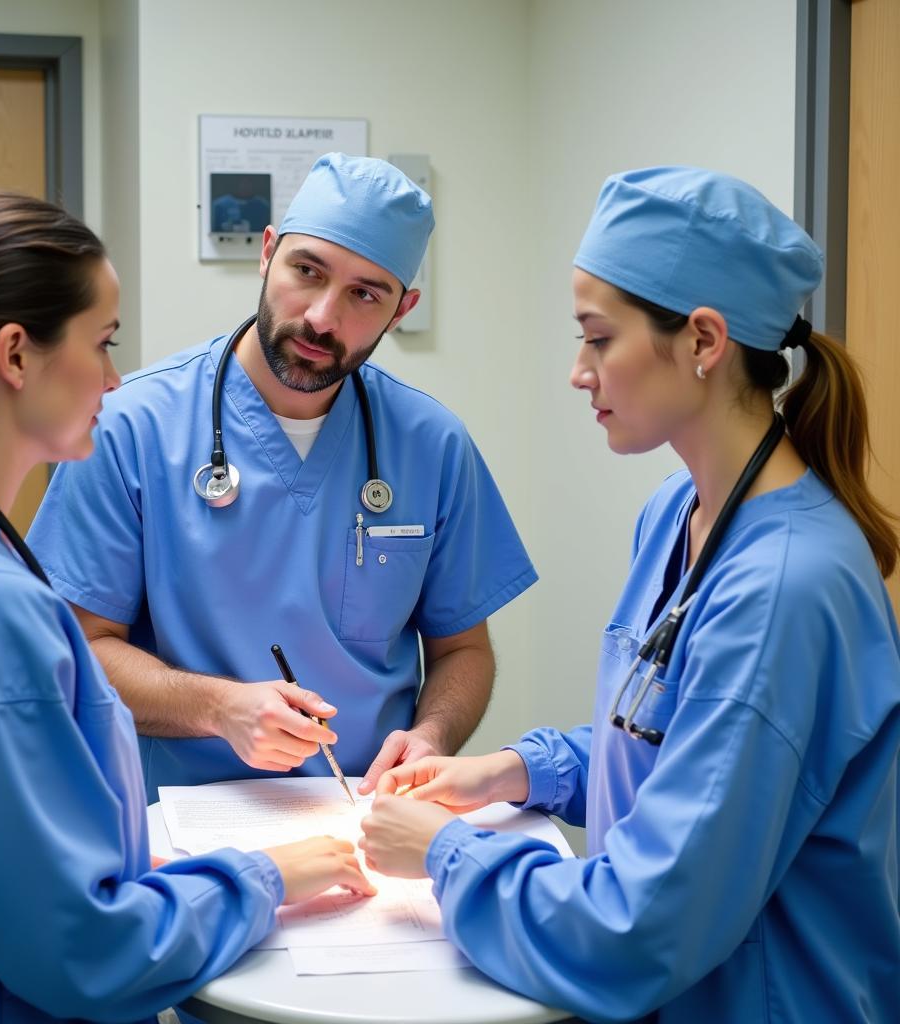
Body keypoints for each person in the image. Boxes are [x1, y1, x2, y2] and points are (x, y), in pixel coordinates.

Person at [358, 166, 900, 1022]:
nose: (580, 373)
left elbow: (641, 929)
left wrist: (445, 854)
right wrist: (514, 771)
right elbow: (662, 740)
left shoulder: (785, 590)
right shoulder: (676, 515)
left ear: (703, 342)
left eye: (599, 339)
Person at [0, 188, 375, 1024]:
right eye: (102, 343)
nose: (114, 377)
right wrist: (272, 876)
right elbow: (84, 950)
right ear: (15, 355)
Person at [28, 153, 537, 801]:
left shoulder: (431, 444)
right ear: (267, 253)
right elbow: (80, 647)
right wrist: (219, 708)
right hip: (180, 824)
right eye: (308, 271)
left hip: (364, 814)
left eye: (365, 294)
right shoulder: (130, 427)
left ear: (401, 308)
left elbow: (464, 650)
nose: (323, 317)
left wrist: (433, 734)